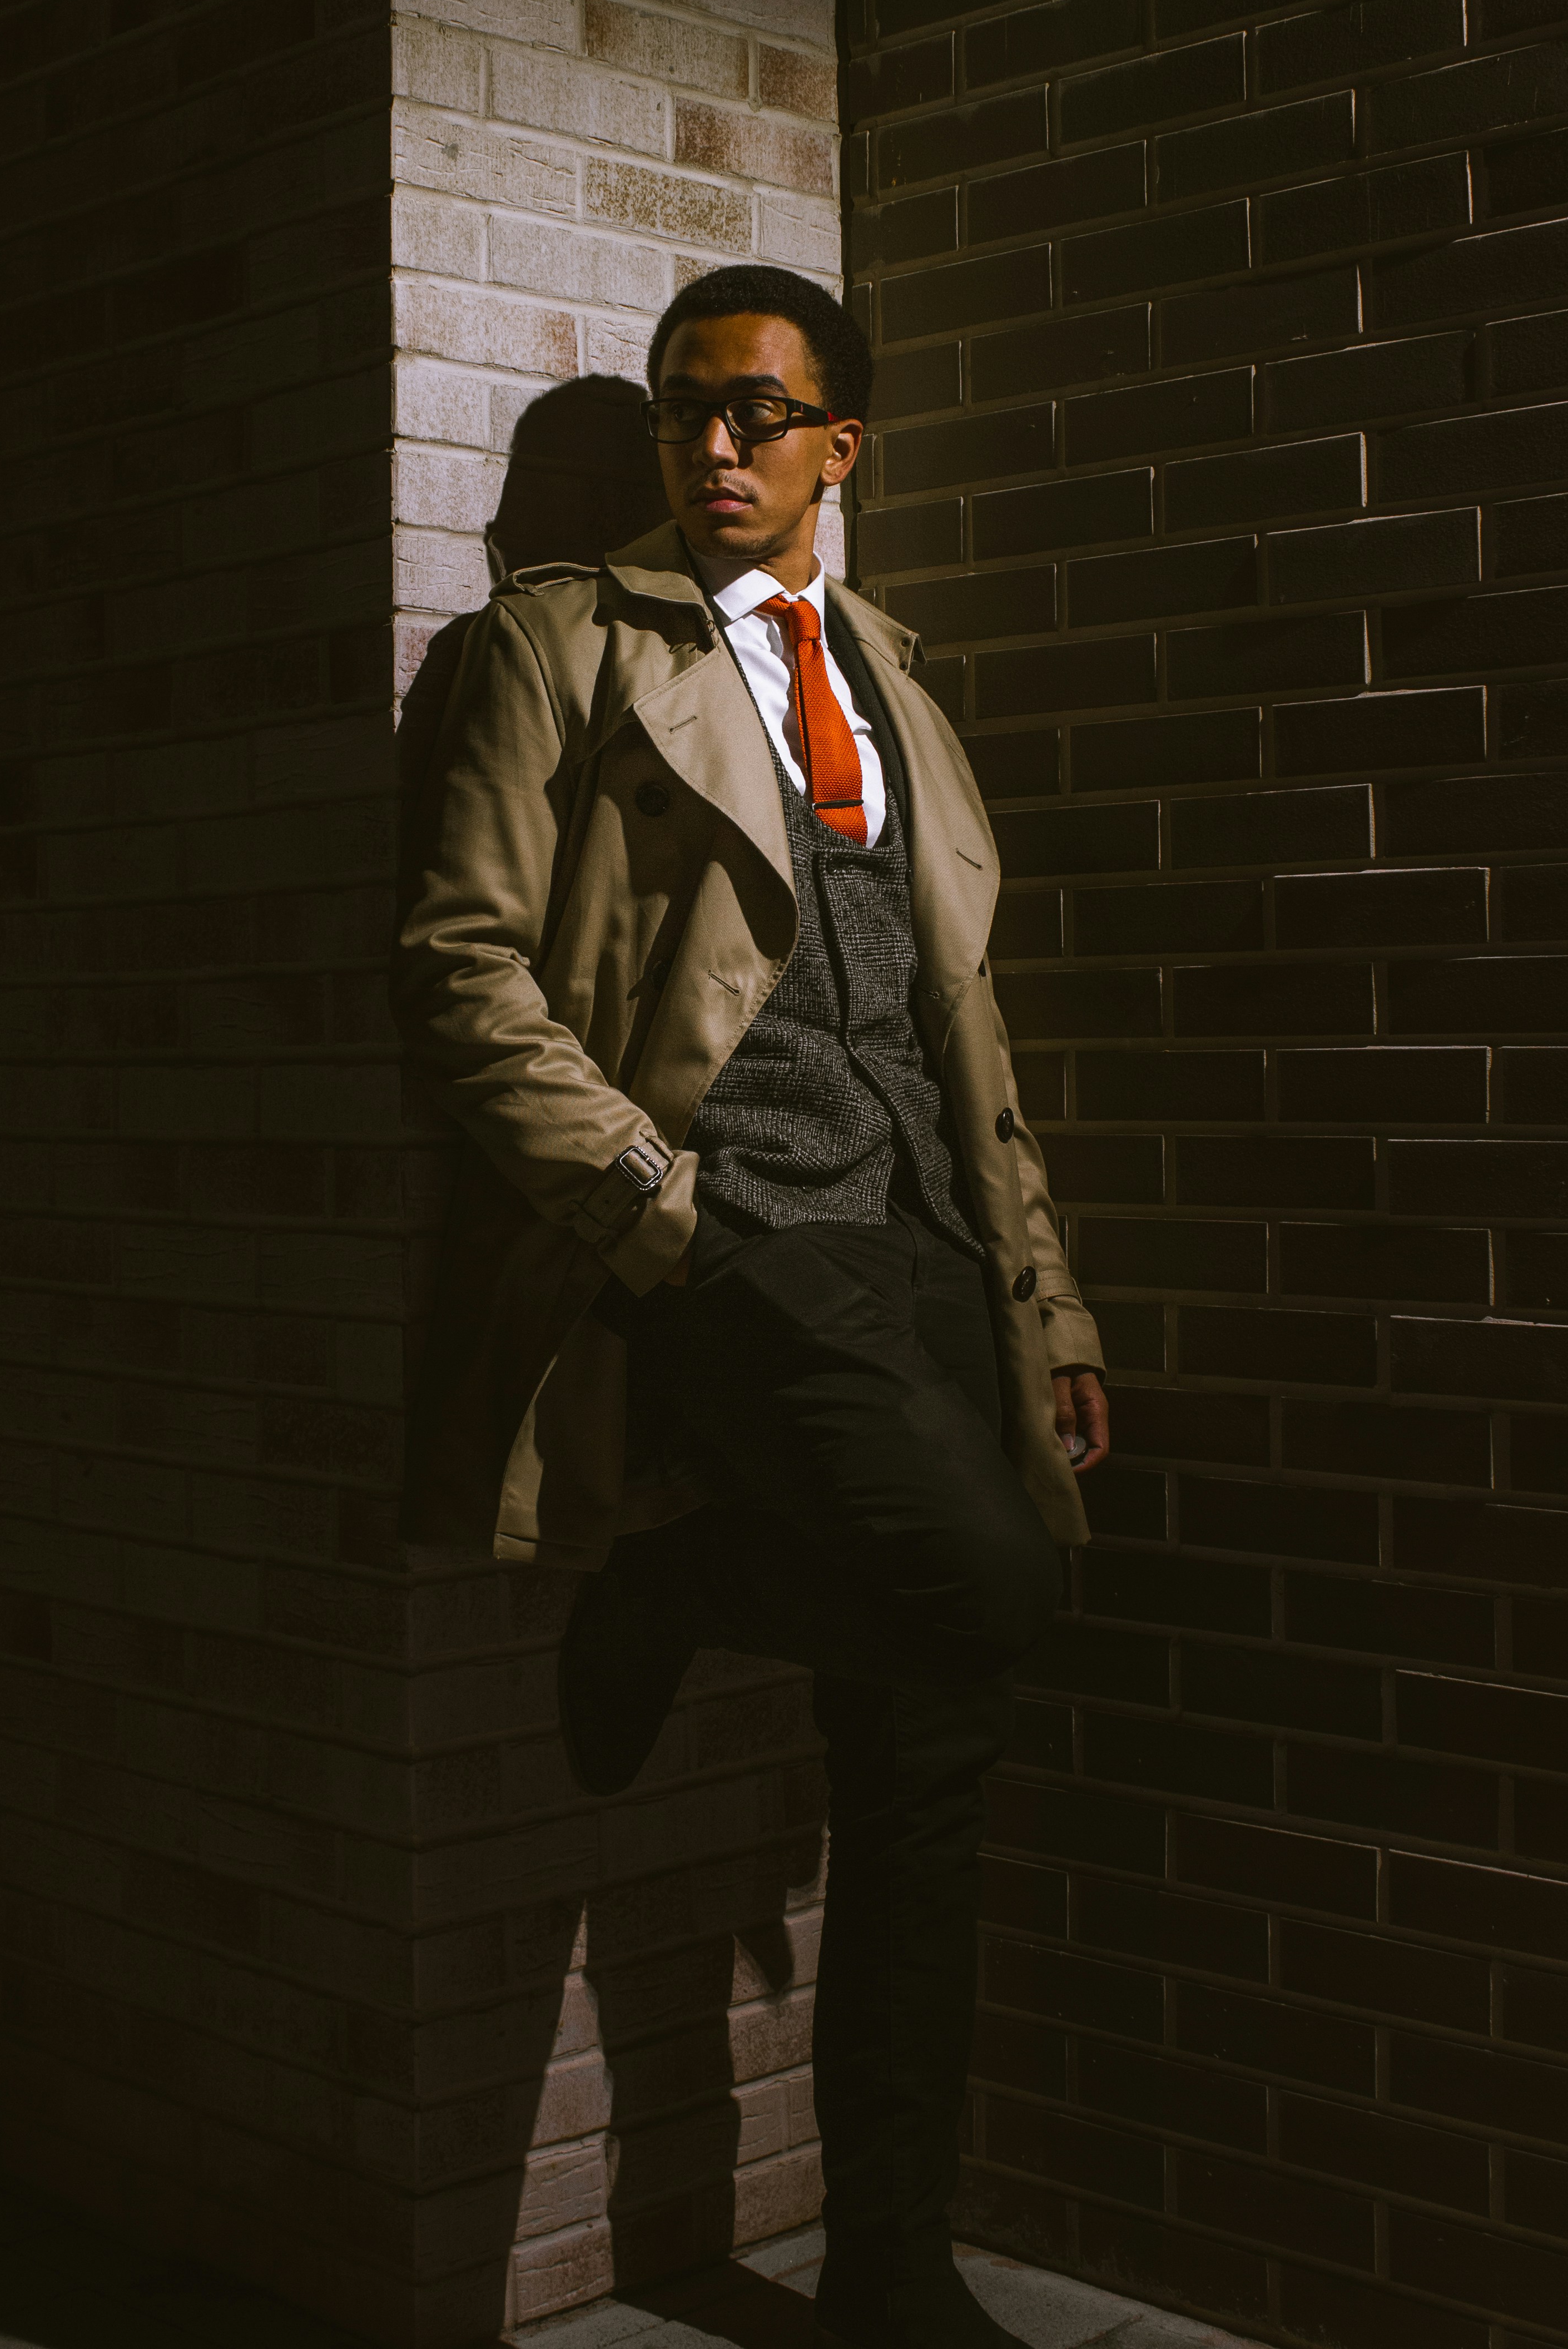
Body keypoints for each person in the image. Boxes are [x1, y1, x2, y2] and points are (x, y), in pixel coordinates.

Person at [392, 264, 1110, 2349]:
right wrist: (658, 1210)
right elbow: (462, 968)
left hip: (930, 1256)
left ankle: (890, 2259)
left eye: (754, 416)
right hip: (730, 1232)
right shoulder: (554, 641)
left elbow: (961, 1030)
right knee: (988, 1588)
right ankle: (684, 1567)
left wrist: (1047, 1309)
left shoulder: (893, 670)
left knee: (927, 1752)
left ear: (834, 448)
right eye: (680, 411)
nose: (710, 448)